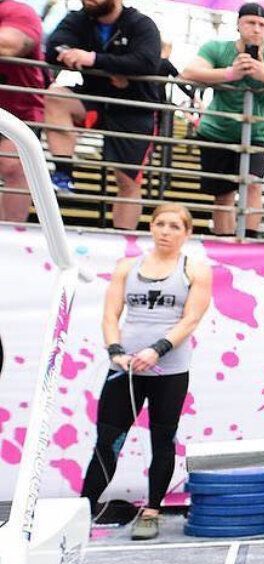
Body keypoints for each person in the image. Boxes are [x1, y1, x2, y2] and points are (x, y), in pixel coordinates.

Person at [81, 204, 212, 540]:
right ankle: (81, 511)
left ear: (187, 233)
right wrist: (116, 351)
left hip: (169, 371)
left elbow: (191, 319)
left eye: (174, 226)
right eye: (160, 224)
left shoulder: (194, 269)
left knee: (162, 441)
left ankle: (151, 511)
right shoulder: (127, 267)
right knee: (107, 441)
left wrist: (158, 349)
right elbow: (111, 315)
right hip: (124, 370)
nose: (166, 231)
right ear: (151, 227)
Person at [180, 3, 264, 238]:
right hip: (217, 131)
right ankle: (223, 243)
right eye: (250, 23)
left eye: (262, 25)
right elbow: (189, 72)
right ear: (238, 25)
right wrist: (231, 73)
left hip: (256, 132)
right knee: (224, 193)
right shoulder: (218, 48)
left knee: (253, 184)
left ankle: (250, 240)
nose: (256, 29)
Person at [43, 0, 162, 230]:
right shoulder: (77, 19)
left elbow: (147, 62)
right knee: (55, 95)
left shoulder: (141, 24)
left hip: (134, 108)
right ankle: (63, 172)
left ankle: (123, 238)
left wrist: (93, 60)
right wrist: (108, 68)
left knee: (128, 181)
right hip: (94, 98)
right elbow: (53, 48)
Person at [0, 0, 45, 223]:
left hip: (17, 109)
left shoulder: (17, 10)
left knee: (14, 168)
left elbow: (10, 45)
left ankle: (10, 235)